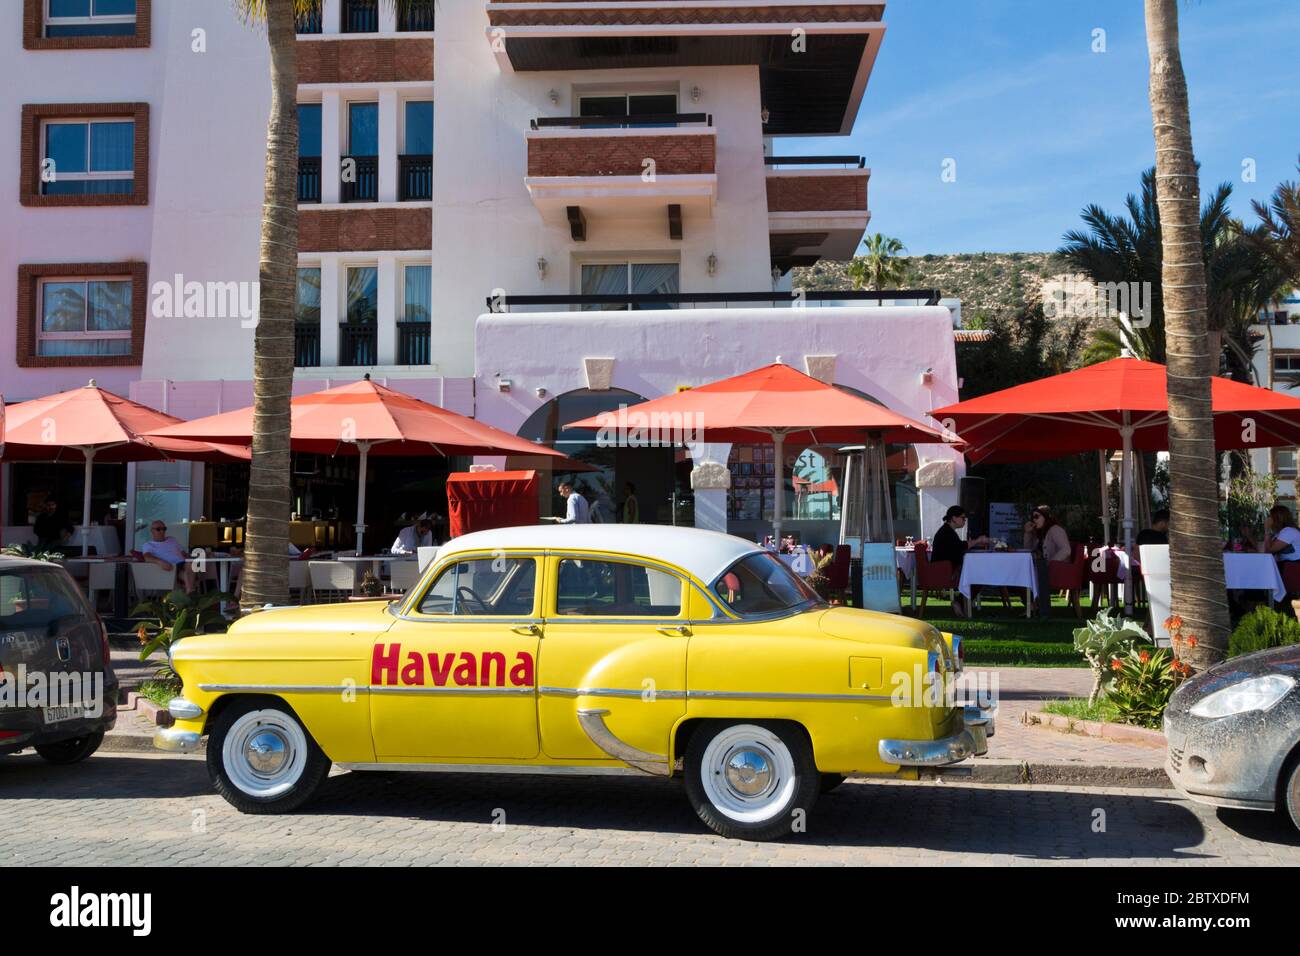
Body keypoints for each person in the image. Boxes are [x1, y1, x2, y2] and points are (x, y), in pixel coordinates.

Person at [1024, 505, 1072, 616]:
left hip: (1059, 570)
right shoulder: (1041, 533)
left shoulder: (1055, 530)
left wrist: (1050, 563)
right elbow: (1028, 550)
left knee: (1034, 571)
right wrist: (1027, 533)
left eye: (1036, 516)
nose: (1034, 520)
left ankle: (1036, 607)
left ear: (1046, 517)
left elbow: (1066, 550)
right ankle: (1033, 605)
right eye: (1032, 518)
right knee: (1028, 570)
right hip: (1044, 568)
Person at [140, 520, 197, 593]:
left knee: (190, 565)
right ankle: (191, 592)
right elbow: (147, 557)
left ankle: (189, 591)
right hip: (169, 567)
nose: (162, 531)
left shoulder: (172, 539)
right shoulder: (148, 545)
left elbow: (184, 554)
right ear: (152, 531)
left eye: (164, 529)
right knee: (187, 570)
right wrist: (160, 562)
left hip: (182, 564)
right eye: (158, 529)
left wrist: (197, 555)